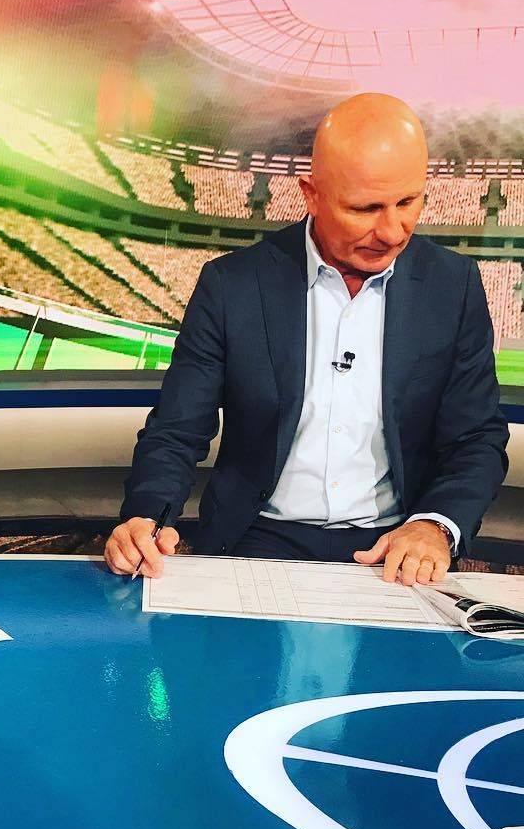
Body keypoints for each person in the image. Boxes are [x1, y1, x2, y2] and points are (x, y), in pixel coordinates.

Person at [106, 93, 508, 587]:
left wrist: (434, 526)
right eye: (366, 208)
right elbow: (177, 429)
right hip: (256, 537)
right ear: (312, 195)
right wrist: (146, 514)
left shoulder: (454, 285)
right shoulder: (232, 285)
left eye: (408, 202)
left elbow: (476, 438)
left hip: (394, 546)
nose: (392, 231)